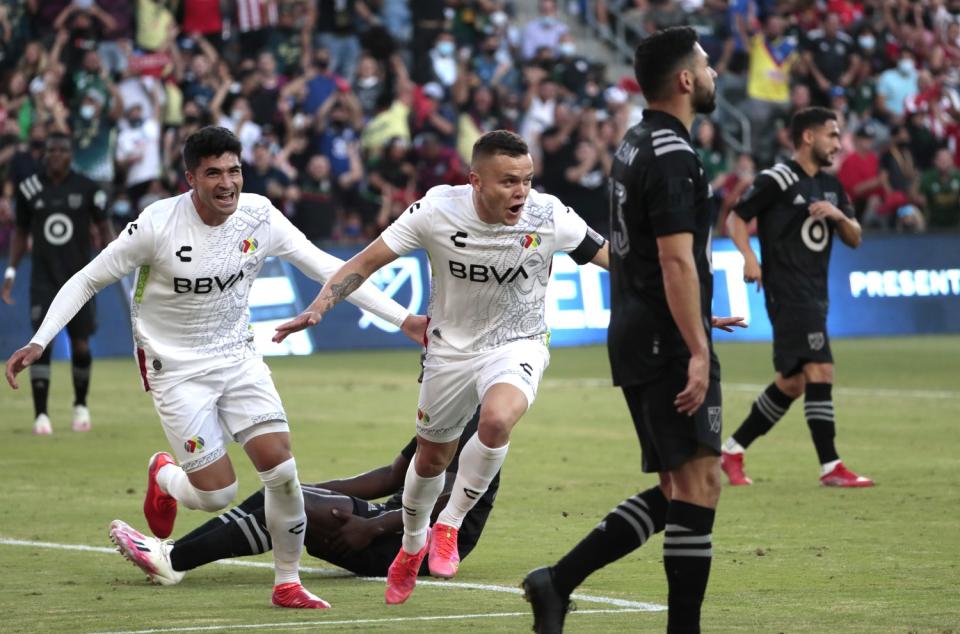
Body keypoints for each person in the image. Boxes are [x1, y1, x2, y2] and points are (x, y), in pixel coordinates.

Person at [4, 126, 426, 609]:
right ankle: (164, 476)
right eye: (213, 174)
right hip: (175, 368)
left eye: (234, 171)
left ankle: (286, 582)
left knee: (282, 471)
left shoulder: (259, 215)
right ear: (190, 180)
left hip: (238, 357)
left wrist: (404, 319)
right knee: (215, 493)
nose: (227, 183)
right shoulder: (157, 225)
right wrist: (40, 340)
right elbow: (87, 279)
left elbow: (325, 264)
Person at [272, 129, 610, 605]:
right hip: (449, 351)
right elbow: (364, 263)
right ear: (475, 181)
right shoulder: (435, 211)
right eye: (509, 181)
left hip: (518, 342)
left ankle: (447, 525)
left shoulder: (549, 214)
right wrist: (321, 305)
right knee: (430, 460)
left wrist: (684, 306)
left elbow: (616, 260)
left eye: (527, 180)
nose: (521, 192)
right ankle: (412, 546)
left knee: (496, 419)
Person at [522, 26, 744, 634]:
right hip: (664, 339)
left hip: (640, 327)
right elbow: (673, 260)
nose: (713, 74)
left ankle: (557, 582)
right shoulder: (674, 155)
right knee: (700, 480)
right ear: (684, 80)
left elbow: (648, 257)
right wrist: (697, 345)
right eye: (705, 64)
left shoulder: (634, 142)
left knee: (681, 484)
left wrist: (696, 313)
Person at [108, 409, 496, 584]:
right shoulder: (447, 411)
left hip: (419, 546)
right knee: (280, 495)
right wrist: (312, 489)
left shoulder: (480, 424)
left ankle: (172, 561)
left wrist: (371, 527)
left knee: (289, 503)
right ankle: (172, 553)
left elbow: (450, 498)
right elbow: (392, 475)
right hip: (392, 520)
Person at [720, 107, 874, 488]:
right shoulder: (778, 178)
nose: (838, 144)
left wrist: (838, 215)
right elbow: (736, 219)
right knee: (821, 370)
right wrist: (750, 258)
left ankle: (732, 450)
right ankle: (831, 466)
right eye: (833, 135)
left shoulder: (832, 188)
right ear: (809, 137)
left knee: (792, 383)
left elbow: (855, 238)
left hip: (816, 292)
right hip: (787, 292)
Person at [2, 132, 114, 435]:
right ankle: (41, 415)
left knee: (80, 344)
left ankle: (80, 405)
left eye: (61, 150)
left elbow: (104, 226)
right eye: (50, 149)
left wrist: (116, 261)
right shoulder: (30, 188)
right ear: (45, 153)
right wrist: (11, 272)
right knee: (42, 343)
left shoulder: (87, 188)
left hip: (80, 280)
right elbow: (21, 233)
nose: (55, 155)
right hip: (43, 278)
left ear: (70, 154)